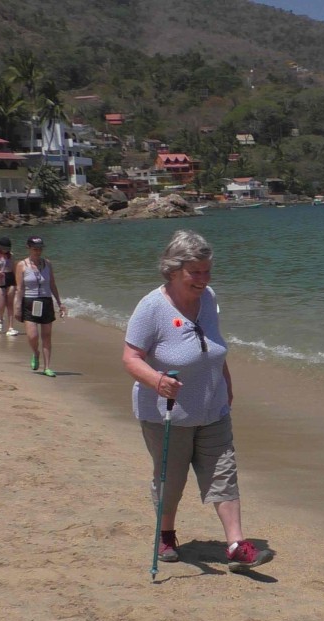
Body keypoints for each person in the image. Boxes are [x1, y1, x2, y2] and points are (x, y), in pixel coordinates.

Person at [121, 229, 273, 571]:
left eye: (207, 271)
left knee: (224, 473)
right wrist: (157, 380)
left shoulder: (208, 298)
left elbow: (214, 347)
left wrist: (226, 385)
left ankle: (236, 545)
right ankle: (165, 534)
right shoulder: (151, 308)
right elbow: (130, 358)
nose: (204, 279)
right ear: (173, 270)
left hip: (213, 408)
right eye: (195, 273)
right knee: (171, 479)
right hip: (167, 414)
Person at [13, 236, 66, 376]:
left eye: (40, 249)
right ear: (29, 248)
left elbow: (52, 284)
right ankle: (36, 353)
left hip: (46, 301)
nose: (38, 251)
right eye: (35, 249)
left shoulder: (47, 264)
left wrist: (60, 303)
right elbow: (20, 288)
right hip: (29, 302)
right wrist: (17, 307)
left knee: (47, 335)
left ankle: (47, 367)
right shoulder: (22, 265)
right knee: (33, 336)